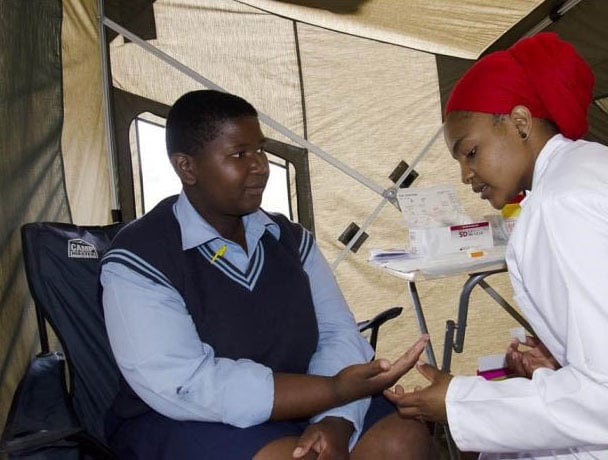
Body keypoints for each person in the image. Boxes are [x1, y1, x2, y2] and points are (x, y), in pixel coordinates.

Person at [384, 32, 608, 458]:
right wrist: (564, 361)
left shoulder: (566, 202)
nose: (466, 175)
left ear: (519, 122)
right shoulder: (594, 170)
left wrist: (459, 402)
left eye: (471, 152)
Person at [100, 89, 438, 459]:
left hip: (310, 398)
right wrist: (332, 392)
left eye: (260, 149)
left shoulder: (291, 241)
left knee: (404, 439)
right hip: (187, 417)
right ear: (188, 167)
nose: (260, 165)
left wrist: (336, 418)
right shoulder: (140, 259)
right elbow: (185, 384)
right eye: (239, 154)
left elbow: (338, 333)